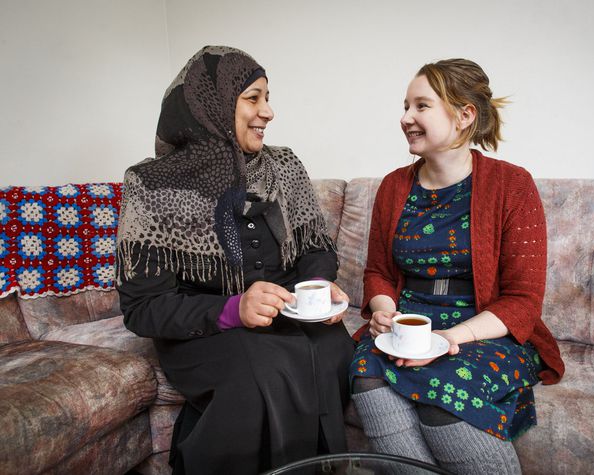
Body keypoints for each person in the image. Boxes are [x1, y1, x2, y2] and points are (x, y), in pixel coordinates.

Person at [116, 46, 354, 474]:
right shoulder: (151, 184)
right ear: (212, 104)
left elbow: (316, 248)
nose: (269, 111)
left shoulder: (283, 166)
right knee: (261, 369)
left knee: (333, 348)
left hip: (287, 313)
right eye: (253, 98)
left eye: (268, 97)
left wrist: (314, 289)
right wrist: (234, 308)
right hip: (205, 329)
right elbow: (142, 308)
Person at [349, 59, 565, 475]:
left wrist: (452, 338)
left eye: (421, 106)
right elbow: (377, 270)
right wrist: (383, 310)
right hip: (409, 324)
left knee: (442, 392)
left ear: (465, 115)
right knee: (365, 371)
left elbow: (522, 302)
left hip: (482, 327)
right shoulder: (394, 186)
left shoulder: (512, 185)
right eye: (405, 105)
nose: (405, 117)